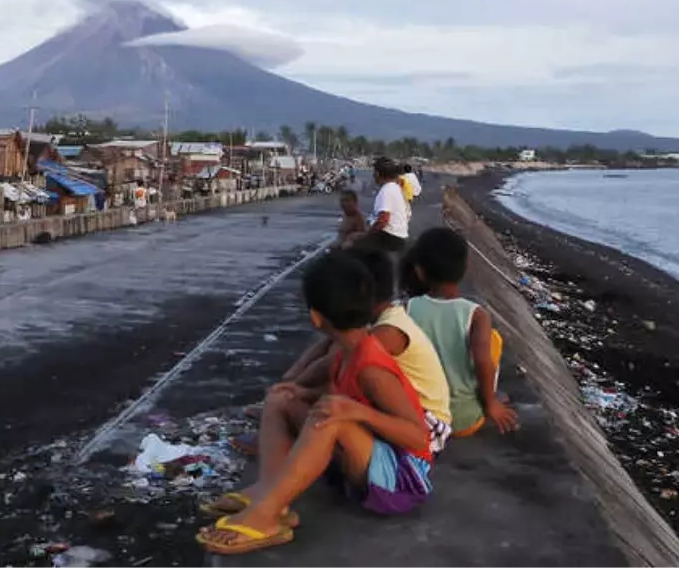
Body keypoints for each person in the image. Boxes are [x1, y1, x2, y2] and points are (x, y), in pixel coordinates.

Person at [197, 252, 435, 555]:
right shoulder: (342, 351)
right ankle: (269, 495)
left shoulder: (372, 367)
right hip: (369, 460)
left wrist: (357, 411)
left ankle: (265, 516)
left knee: (330, 418)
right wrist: (302, 393)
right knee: (282, 398)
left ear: (316, 317)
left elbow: (418, 437)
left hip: (402, 480)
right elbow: (311, 387)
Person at [226, 249, 450, 458]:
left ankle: (281, 445)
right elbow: (326, 349)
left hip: (428, 423)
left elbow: (330, 362)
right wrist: (293, 382)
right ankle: (282, 442)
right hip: (405, 412)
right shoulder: (371, 328)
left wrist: (299, 389)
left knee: (323, 413)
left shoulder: (386, 334)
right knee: (320, 392)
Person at [403, 228, 519, 436]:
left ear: (419, 271)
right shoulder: (475, 314)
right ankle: (488, 396)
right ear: (465, 268)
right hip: (463, 421)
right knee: (493, 340)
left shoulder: (407, 309)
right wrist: (491, 404)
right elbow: (483, 362)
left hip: (420, 418)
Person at [355, 157, 409, 253]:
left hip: (390, 238)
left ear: (378, 174)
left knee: (352, 242)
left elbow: (383, 220)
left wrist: (368, 235)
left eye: (374, 172)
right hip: (398, 236)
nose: (373, 175)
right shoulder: (395, 187)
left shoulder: (387, 190)